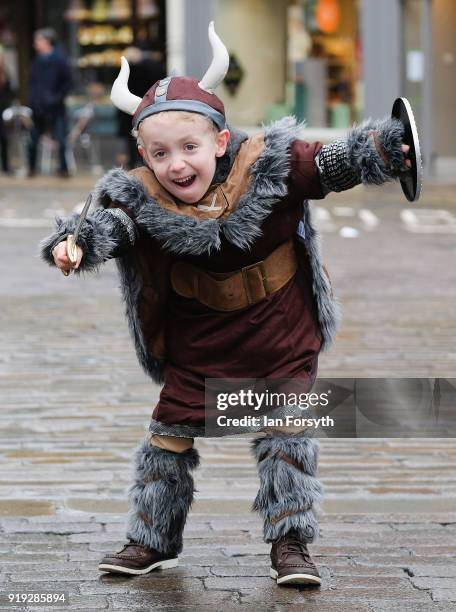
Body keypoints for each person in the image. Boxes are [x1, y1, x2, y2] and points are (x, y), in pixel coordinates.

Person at [40, 23, 411, 586]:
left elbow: (333, 163)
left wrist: (389, 145)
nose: (176, 165)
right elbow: (110, 226)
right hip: (200, 342)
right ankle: (151, 541)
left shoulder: (269, 164)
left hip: (279, 333)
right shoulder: (139, 194)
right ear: (143, 153)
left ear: (218, 139)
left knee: (287, 434)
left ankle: (291, 544)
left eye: (189, 147)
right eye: (160, 153)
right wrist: (76, 242)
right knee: (167, 437)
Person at [27, 28, 72, 177]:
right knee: (32, 139)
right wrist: (33, 100)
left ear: (47, 41)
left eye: (38, 40)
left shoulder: (60, 59)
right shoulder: (36, 61)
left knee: (61, 139)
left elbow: (67, 82)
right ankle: (31, 168)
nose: (35, 44)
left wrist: (56, 98)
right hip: (38, 108)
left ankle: (64, 169)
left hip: (56, 107)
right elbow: (33, 84)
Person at [116, 45, 165, 169]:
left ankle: (134, 164)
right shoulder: (152, 68)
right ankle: (144, 163)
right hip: (148, 109)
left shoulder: (126, 72)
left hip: (130, 112)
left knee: (131, 141)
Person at [0, 47, 14, 174]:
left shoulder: (6, 75)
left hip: (2, 110)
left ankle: (5, 165)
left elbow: (10, 93)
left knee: (4, 138)